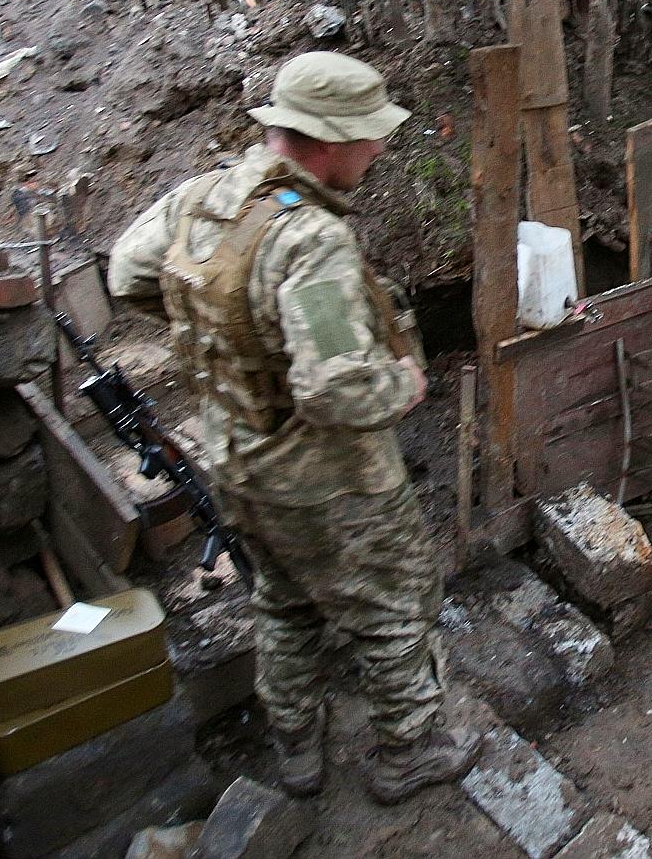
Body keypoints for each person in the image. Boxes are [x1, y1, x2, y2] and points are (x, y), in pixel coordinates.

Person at [108, 51, 482, 803]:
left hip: (235, 458)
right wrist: (401, 384)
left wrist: (229, 347)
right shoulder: (308, 240)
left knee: (283, 600)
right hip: (326, 482)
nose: (380, 151)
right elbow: (334, 387)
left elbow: (127, 276)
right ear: (328, 138)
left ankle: (298, 754)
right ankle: (409, 751)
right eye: (369, 138)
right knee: (392, 603)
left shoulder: (203, 198)